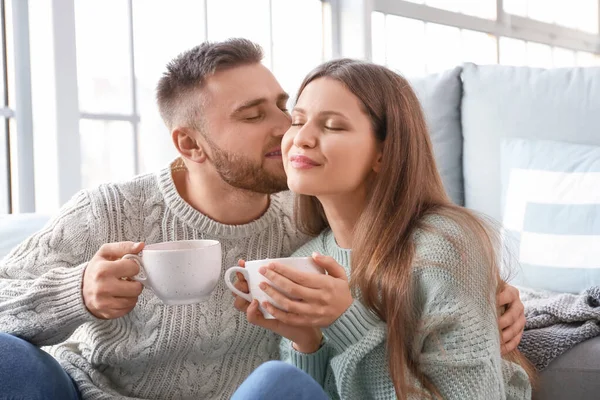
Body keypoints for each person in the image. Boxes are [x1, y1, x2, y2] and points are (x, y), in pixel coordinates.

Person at [0, 39, 525, 399]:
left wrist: (498, 300)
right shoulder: (112, 210)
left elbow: (413, 263)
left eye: (283, 108)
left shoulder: (305, 233)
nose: (285, 131)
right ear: (189, 144)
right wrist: (78, 292)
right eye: (255, 116)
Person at [232, 59, 535, 400]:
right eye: (298, 121)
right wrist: (305, 341)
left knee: (271, 381)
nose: (301, 138)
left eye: (332, 126)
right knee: (278, 380)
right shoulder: (305, 258)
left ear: (384, 153)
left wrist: (347, 321)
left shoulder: (444, 245)